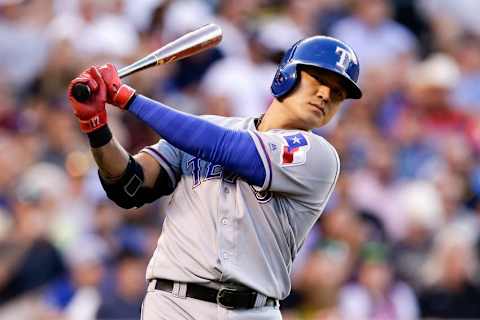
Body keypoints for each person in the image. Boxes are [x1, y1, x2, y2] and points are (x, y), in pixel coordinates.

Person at [67, 35, 362, 319]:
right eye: (319, 80)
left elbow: (226, 147)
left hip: (253, 309)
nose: (326, 95)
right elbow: (130, 185)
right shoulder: (206, 129)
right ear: (286, 75)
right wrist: (96, 126)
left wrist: (126, 97)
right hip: (173, 305)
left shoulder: (318, 156)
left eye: (337, 93)